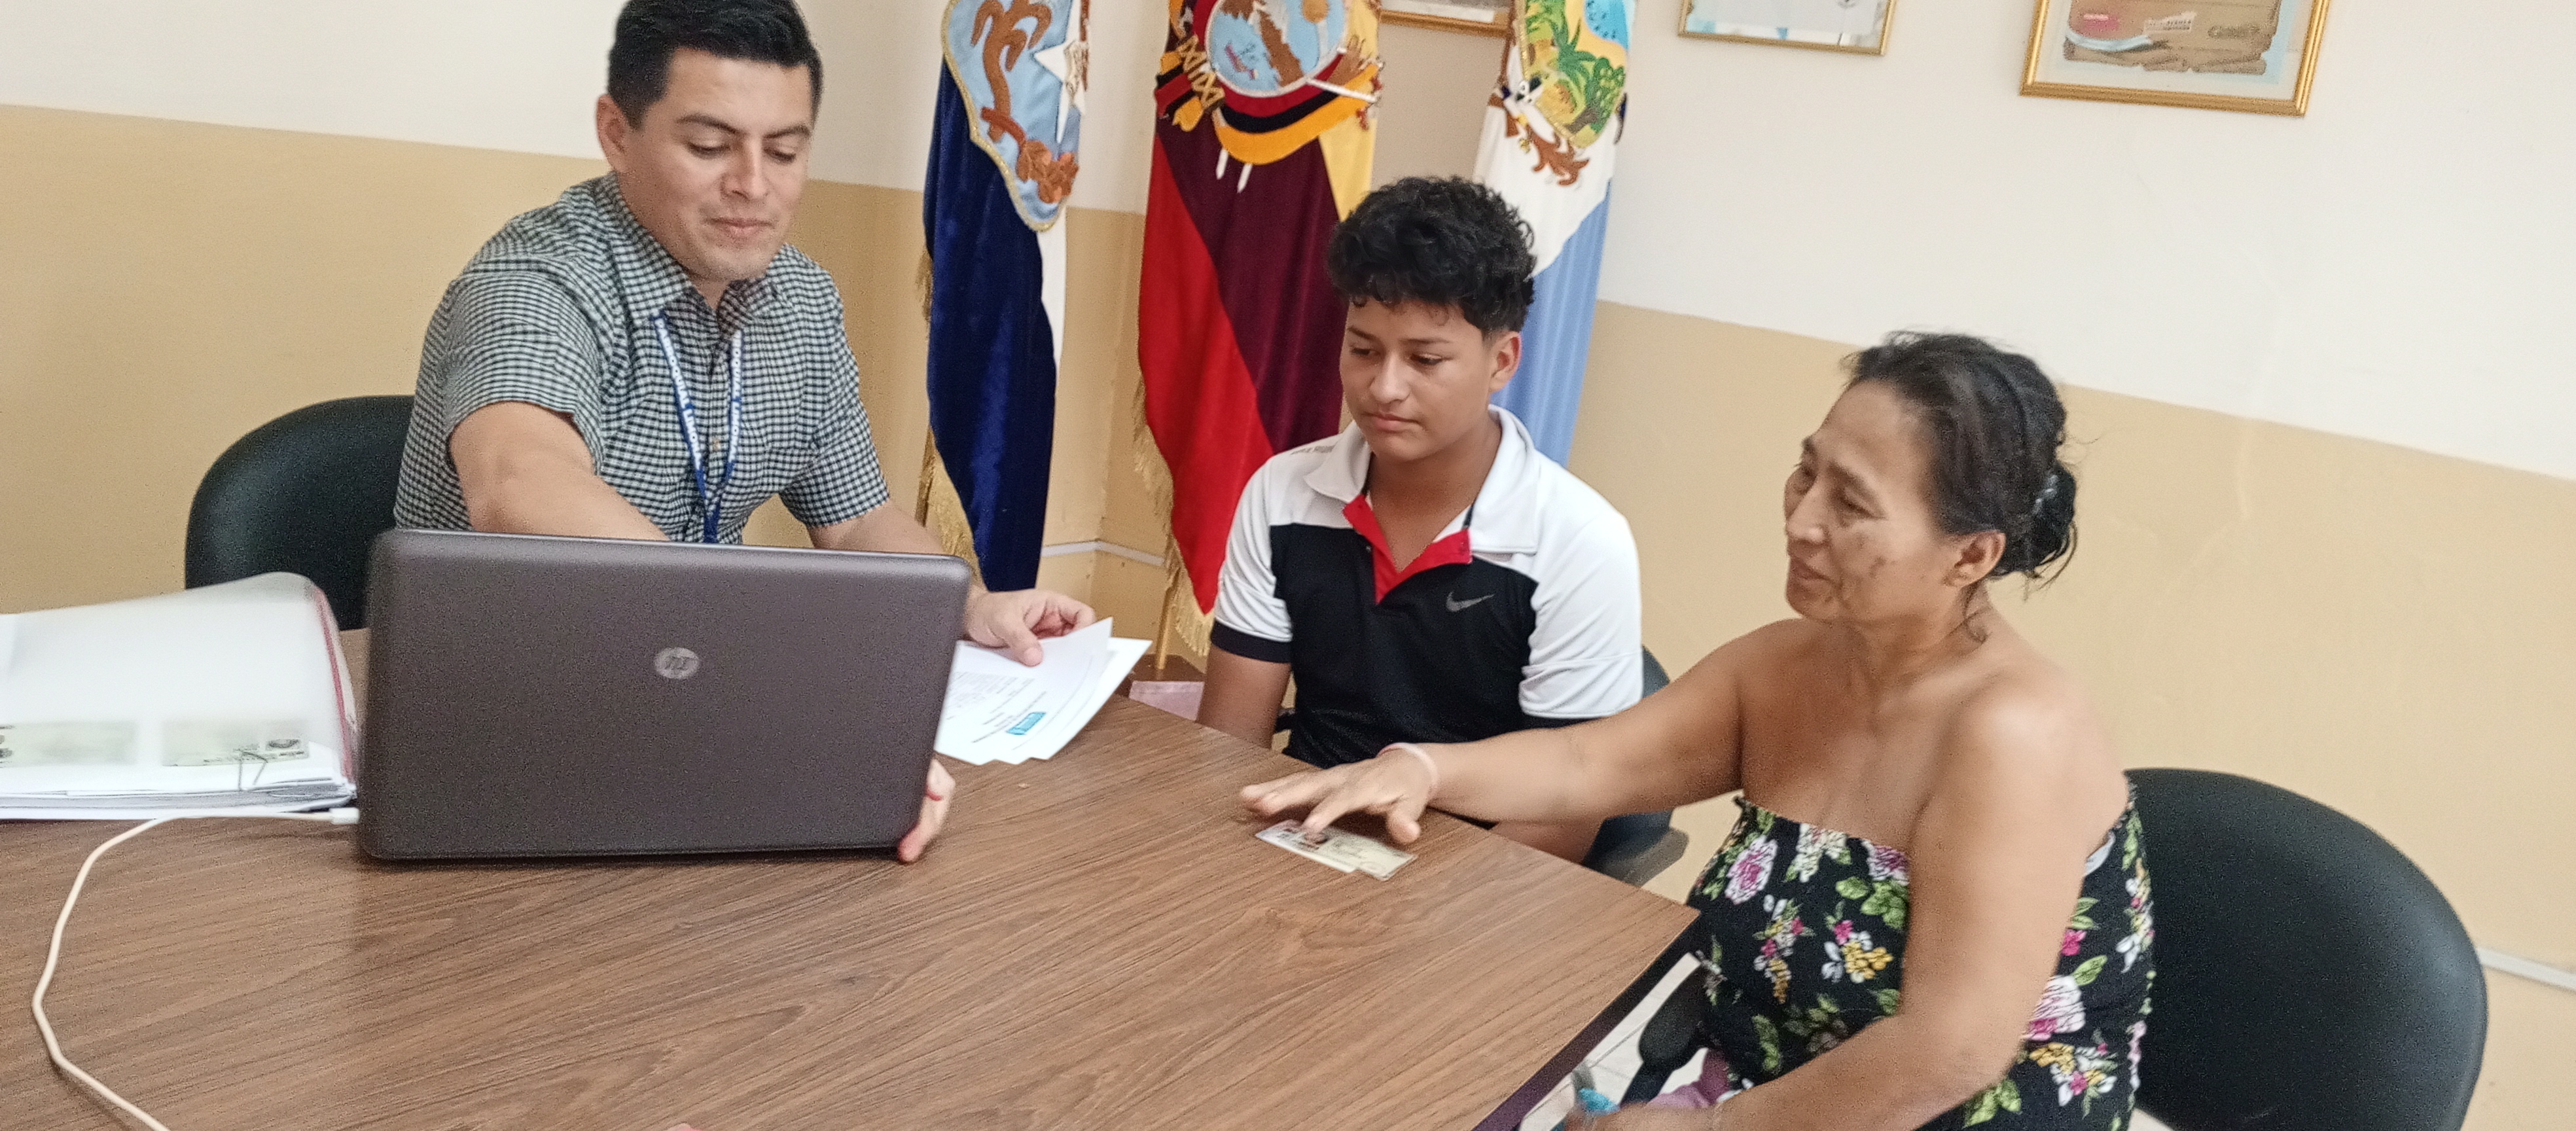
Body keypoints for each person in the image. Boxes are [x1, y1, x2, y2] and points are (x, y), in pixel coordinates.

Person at [1243, 333, 2154, 1129]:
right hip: (1765, 1097)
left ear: (1970, 555)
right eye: (1808, 472)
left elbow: (1947, 1055)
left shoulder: (2014, 734)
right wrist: (1419, 770)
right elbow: (1585, 762)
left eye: (1852, 503)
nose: (1802, 520)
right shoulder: (1784, 666)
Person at [393, 0, 1094, 861]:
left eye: (786, 151)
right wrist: (744, 674)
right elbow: (518, 484)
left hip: (684, 703)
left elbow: (857, 520)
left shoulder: (801, 299)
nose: (754, 186)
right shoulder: (535, 277)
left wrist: (968, 604)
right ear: (618, 134)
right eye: (709, 146)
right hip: (512, 713)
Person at [1196, 177, 1643, 862]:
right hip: (1299, 833)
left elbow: (1561, 817)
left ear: (1502, 361)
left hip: (1475, 868)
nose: (1384, 387)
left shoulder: (1579, 541)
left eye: (1425, 360)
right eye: (1363, 350)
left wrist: (1420, 909)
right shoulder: (1283, 494)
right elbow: (1230, 746)